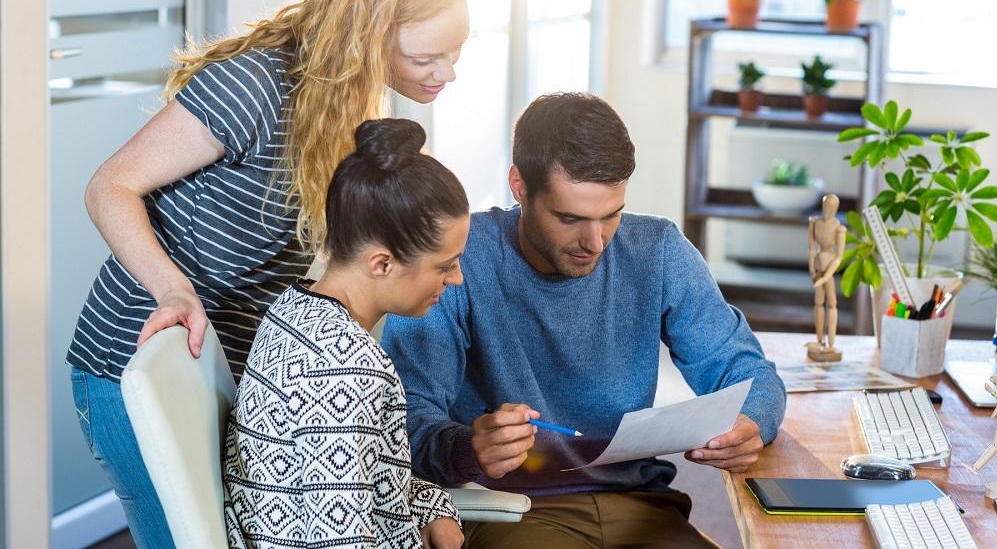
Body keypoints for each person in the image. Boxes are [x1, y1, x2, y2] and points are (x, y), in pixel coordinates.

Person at [65, 0, 470, 547]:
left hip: (229, 367)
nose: (447, 72)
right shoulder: (252, 87)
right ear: (366, 35)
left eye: (456, 51)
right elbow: (109, 187)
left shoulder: (353, 110)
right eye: (425, 59)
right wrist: (173, 290)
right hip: (137, 358)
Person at [382, 92, 787, 548]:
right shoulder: (459, 258)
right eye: (570, 218)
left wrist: (752, 423)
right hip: (512, 510)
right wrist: (467, 448)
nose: (595, 242)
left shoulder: (657, 249)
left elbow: (749, 372)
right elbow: (403, 416)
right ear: (519, 186)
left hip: (640, 502)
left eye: (611, 215)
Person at [225, 118, 469, 549]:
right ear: (382, 263)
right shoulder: (346, 371)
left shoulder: (293, 309)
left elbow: (359, 478)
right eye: (445, 265)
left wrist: (432, 506)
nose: (457, 279)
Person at [807, 193, 847, 361]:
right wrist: (812, 270)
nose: (828, 210)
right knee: (818, 304)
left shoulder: (839, 228)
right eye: (826, 205)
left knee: (832, 304)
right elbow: (811, 248)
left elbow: (839, 257)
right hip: (818, 268)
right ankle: (819, 340)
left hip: (828, 271)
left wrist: (826, 277)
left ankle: (831, 342)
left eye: (832, 207)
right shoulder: (815, 223)